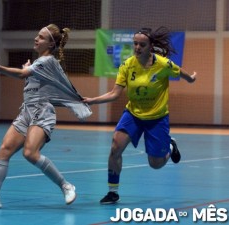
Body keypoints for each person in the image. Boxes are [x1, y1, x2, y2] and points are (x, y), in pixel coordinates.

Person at [0, 24, 92, 209]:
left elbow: (22, 74)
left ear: (51, 45)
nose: (36, 39)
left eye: (41, 37)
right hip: (26, 112)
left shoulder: (48, 62)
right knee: (5, 149)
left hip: (42, 112)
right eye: (37, 36)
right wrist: (29, 70)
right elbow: (29, 75)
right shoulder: (40, 64)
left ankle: (66, 185)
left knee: (30, 153)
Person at [83, 26, 197, 204]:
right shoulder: (127, 65)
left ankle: (170, 147)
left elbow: (181, 73)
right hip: (133, 114)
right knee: (115, 147)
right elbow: (114, 93)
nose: (137, 47)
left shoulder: (163, 64)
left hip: (157, 118)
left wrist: (191, 78)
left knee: (156, 164)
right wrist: (93, 100)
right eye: (135, 44)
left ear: (150, 46)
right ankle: (113, 192)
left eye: (142, 44)